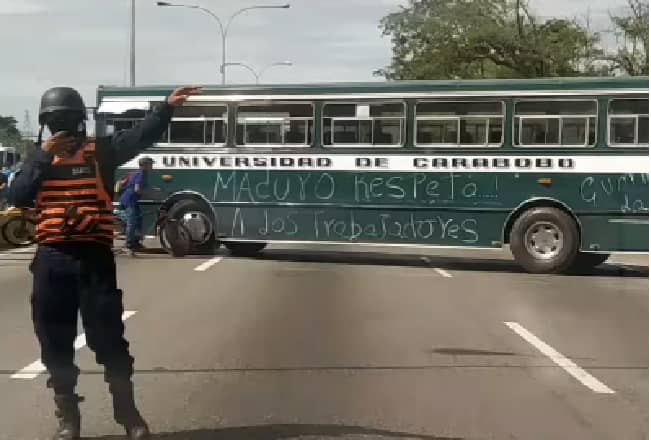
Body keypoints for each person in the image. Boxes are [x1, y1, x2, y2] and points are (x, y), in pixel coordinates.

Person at [8, 85, 201, 440]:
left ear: (81, 121)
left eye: (66, 120)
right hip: (52, 260)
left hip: (94, 261)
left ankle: (127, 412)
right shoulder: (37, 160)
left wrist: (166, 108)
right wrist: (42, 156)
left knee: (109, 339)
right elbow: (17, 195)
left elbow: (140, 136)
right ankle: (68, 419)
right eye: (55, 122)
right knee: (54, 342)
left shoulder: (102, 153)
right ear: (46, 125)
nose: (61, 128)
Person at [119, 156, 154, 256]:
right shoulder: (141, 174)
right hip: (129, 199)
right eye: (151, 164)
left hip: (133, 200)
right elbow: (137, 189)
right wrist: (147, 193)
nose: (152, 167)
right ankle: (128, 245)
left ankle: (136, 242)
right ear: (145, 166)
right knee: (132, 222)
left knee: (139, 220)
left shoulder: (143, 174)